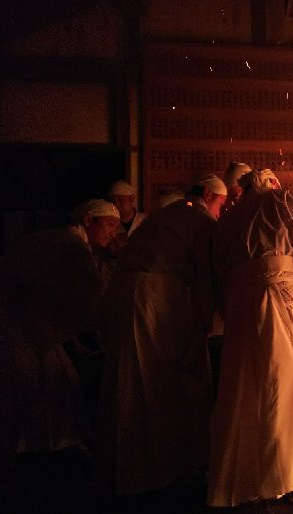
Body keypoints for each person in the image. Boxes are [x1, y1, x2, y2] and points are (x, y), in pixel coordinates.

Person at [0, 199, 119, 490]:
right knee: (10, 388)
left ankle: (53, 446)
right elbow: (89, 301)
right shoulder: (71, 245)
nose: (113, 231)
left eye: (117, 225)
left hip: (17, 314)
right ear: (89, 220)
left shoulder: (71, 244)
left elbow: (60, 301)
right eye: (109, 223)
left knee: (54, 375)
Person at [208, 169, 293, 507]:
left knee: (246, 386)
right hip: (282, 296)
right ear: (272, 184)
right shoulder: (285, 202)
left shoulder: (230, 218)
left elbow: (220, 271)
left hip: (241, 304)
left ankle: (250, 476)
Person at [93, 190, 216, 494]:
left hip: (130, 292)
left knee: (131, 379)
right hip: (152, 296)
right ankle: (153, 472)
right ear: (211, 196)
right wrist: (205, 322)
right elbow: (205, 281)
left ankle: (129, 469)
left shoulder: (168, 217)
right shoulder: (201, 222)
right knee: (152, 381)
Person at [107, 180, 147, 250]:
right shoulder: (107, 225)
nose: (116, 204)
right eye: (113, 201)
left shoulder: (146, 221)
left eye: (120, 200)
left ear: (131, 199)